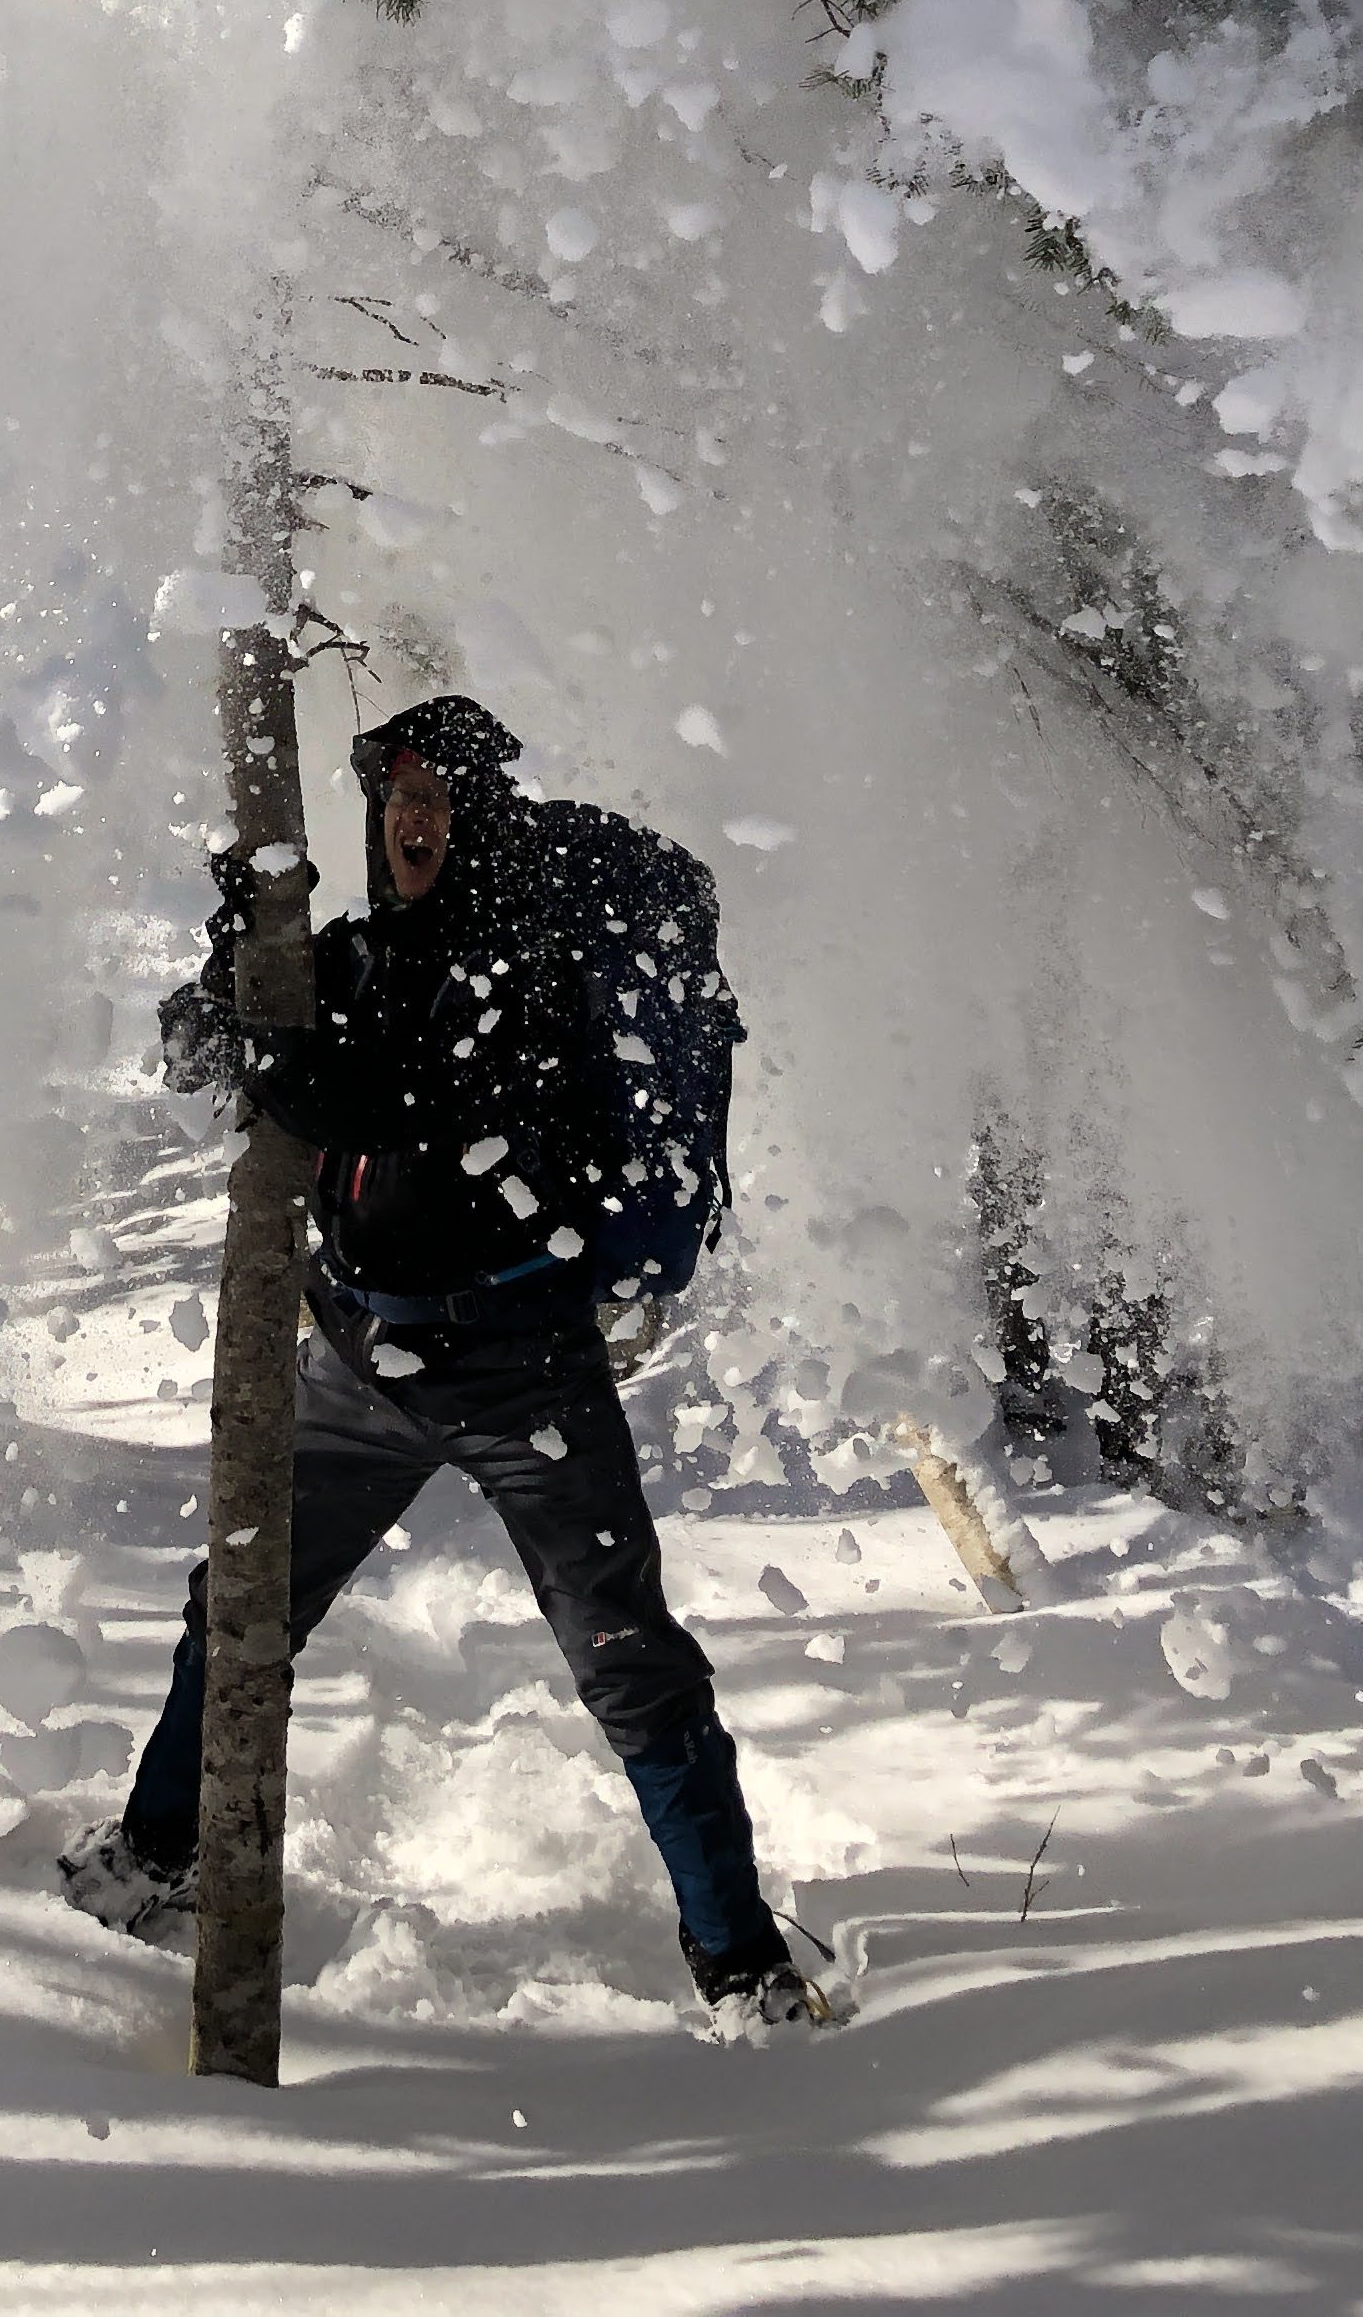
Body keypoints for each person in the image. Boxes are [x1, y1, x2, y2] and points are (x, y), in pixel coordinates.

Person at [63, 692, 821, 2027]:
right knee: (240, 1601)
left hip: (523, 1360)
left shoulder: (529, 967)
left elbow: (397, 1095)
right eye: (398, 797)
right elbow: (198, 1052)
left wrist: (281, 1052)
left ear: (483, 815)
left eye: (440, 797)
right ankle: (160, 1854)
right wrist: (242, 962)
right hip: (362, 1353)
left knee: (627, 1655)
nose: (415, 818)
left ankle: (745, 1964)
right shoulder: (360, 954)